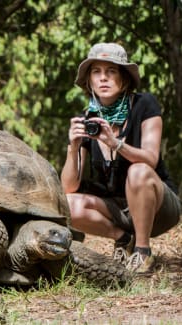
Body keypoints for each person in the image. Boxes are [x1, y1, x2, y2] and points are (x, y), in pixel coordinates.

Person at [61, 42, 181, 274]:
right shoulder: (88, 120)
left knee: (138, 170)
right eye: (96, 72)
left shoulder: (144, 105)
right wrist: (73, 147)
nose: (103, 78)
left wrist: (115, 143)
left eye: (111, 71)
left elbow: (150, 160)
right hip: (117, 208)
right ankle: (123, 238)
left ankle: (142, 251)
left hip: (158, 206)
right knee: (65, 203)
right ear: (89, 81)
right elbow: (69, 186)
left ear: (124, 78)